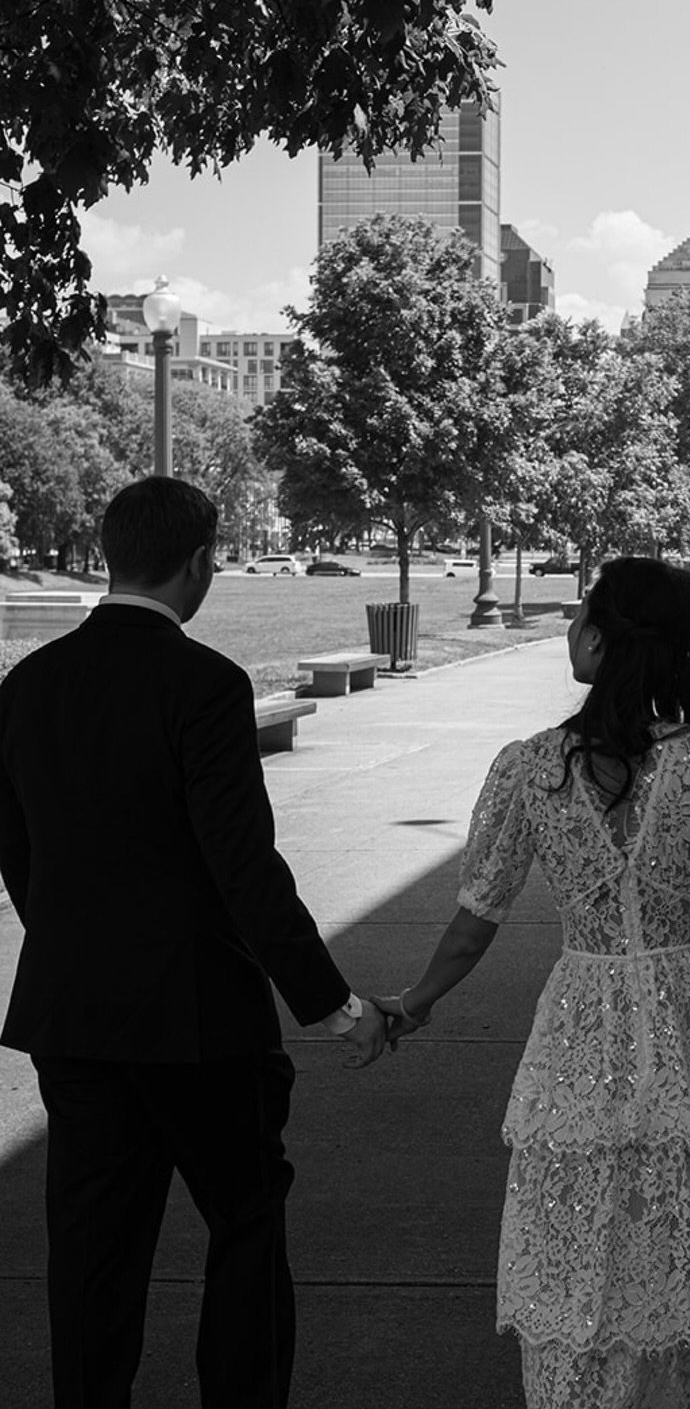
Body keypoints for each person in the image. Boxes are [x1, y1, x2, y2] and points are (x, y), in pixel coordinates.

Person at [378, 555, 690, 1407]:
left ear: (598, 639)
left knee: (580, 1269)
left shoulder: (530, 768)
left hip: (579, 1039)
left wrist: (411, 1004)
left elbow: (473, 925)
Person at [0, 477, 391, 1409]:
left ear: (109, 554)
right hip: (199, 1020)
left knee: (91, 1254)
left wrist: (74, 941)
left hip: (73, 1013)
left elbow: (18, 849)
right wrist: (336, 1008)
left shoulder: (27, 684)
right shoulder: (206, 684)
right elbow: (241, 867)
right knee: (245, 1227)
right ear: (200, 562)